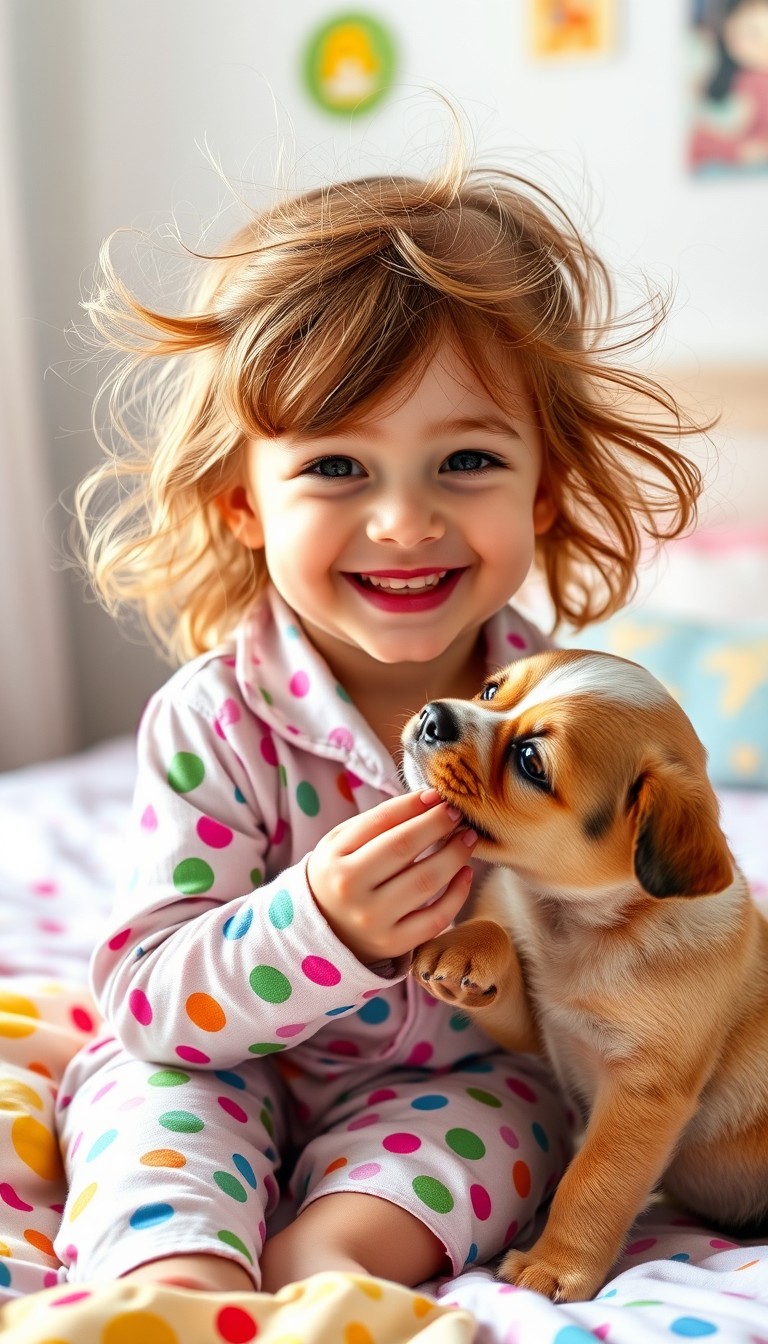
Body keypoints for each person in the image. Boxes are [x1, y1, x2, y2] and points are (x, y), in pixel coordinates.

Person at [55, 148, 705, 1295]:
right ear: (243, 507)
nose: (405, 521)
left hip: (453, 1084)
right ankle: (179, 1291)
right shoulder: (217, 721)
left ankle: (320, 1291)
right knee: (143, 1111)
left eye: (465, 460)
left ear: (541, 490)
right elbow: (151, 999)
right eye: (339, 467)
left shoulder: (580, 723)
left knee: (489, 1140)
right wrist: (322, 926)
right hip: (217, 1066)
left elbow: (657, 923)